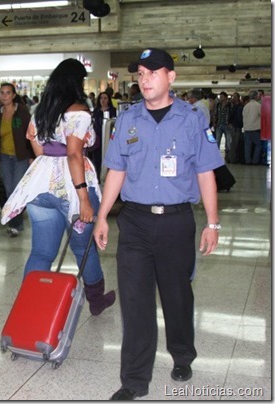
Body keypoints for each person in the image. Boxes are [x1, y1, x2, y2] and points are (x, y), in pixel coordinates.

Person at [92, 48, 223, 400]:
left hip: (176, 222)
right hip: (134, 221)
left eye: (153, 72)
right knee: (135, 303)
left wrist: (213, 223)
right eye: (140, 74)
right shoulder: (128, 119)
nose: (145, 78)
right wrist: (102, 216)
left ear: (171, 77)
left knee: (176, 295)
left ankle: (182, 354)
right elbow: (116, 171)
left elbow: (206, 172)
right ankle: (134, 381)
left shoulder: (192, 119)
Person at [1, 58, 115, 317]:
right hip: (71, 187)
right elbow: (75, 154)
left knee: (41, 251)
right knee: (82, 247)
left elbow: (38, 148)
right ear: (76, 82)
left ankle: (27, 306)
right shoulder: (79, 111)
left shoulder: (40, 111)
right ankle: (96, 300)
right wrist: (83, 199)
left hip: (41, 185)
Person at [0, 82, 33, 237]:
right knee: (9, 190)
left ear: (14, 95)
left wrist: (31, 156)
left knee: (16, 189)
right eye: (2, 93)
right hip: (4, 157)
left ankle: (16, 224)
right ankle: (15, 219)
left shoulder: (22, 112)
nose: (4, 96)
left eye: (8, 93)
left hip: (20, 157)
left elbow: (30, 134)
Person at [88, 91, 117, 179]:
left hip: (108, 137)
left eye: (105, 98)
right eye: (101, 98)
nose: (103, 100)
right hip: (97, 137)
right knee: (97, 158)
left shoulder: (113, 111)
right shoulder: (96, 111)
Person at [242, 90, 262, 165]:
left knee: (247, 146)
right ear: (256, 96)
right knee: (258, 145)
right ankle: (255, 161)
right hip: (255, 129)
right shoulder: (258, 105)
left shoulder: (246, 106)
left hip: (247, 129)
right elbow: (262, 115)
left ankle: (248, 161)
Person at [214, 91, 233, 161]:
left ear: (225, 97)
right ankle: (216, 155)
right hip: (219, 124)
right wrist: (214, 123)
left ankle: (228, 155)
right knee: (217, 140)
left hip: (227, 125)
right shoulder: (218, 105)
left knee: (228, 140)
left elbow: (232, 114)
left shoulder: (230, 105)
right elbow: (215, 114)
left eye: (222, 96)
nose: (221, 98)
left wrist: (231, 123)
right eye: (220, 97)